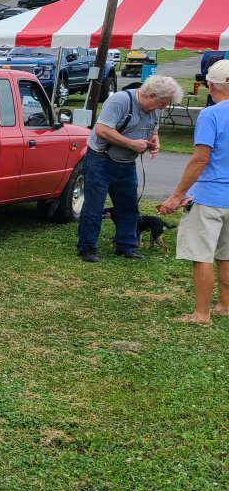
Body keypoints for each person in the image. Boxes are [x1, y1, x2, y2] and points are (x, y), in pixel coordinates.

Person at [76, 74, 181, 263]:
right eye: (161, 104)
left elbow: (153, 128)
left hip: (126, 164)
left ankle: (126, 246)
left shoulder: (154, 108)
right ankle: (87, 247)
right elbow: (101, 130)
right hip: (101, 159)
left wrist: (154, 139)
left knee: (129, 207)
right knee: (94, 206)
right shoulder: (120, 101)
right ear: (150, 96)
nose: (162, 108)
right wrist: (132, 144)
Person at [158, 61, 229, 324]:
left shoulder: (210, 115)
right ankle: (224, 305)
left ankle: (201, 314)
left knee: (202, 256)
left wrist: (177, 195)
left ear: (210, 86)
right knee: (226, 254)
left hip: (210, 197)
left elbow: (200, 160)